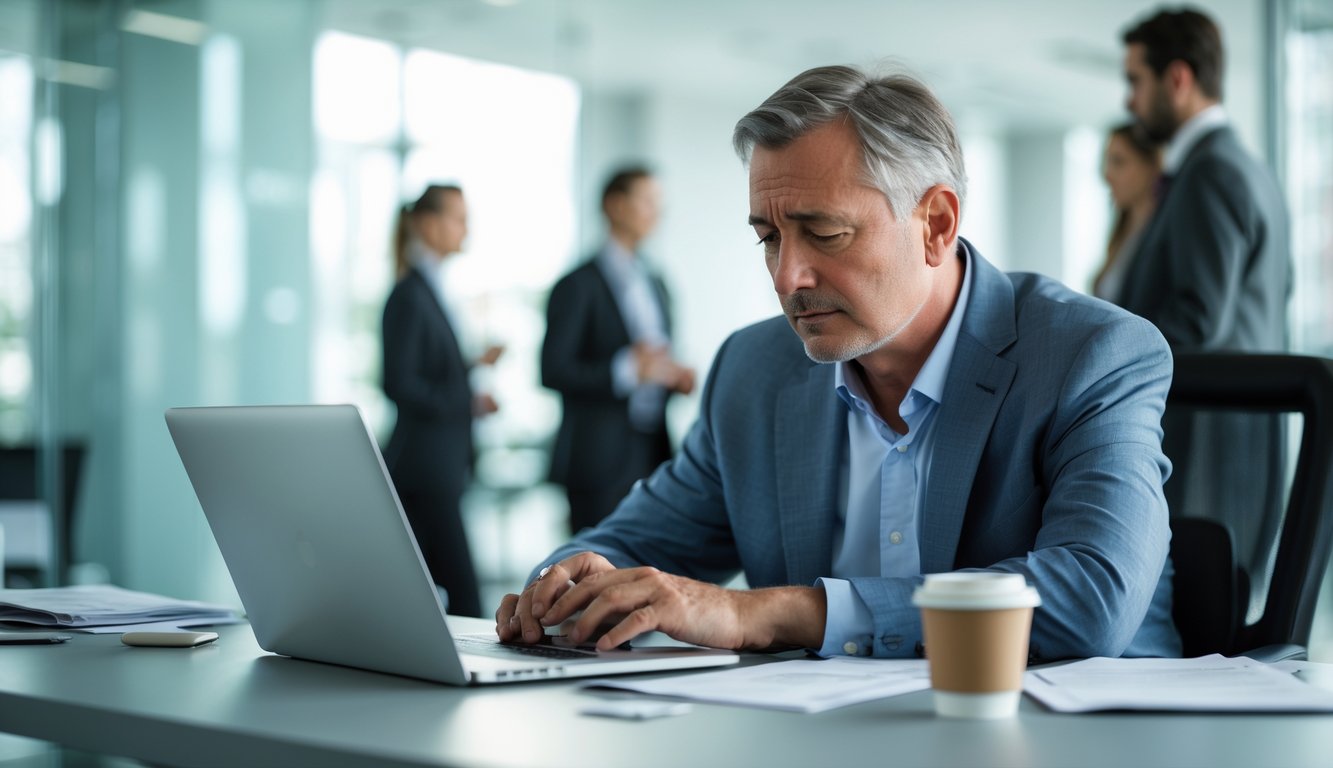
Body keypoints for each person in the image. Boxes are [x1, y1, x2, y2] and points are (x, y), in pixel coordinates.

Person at [497, 65, 1180, 661]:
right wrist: (563, 587)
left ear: (936, 224)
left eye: (824, 233)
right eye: (768, 238)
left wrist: (763, 613)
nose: (787, 276)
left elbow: (1092, 594)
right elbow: (632, 545)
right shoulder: (753, 371)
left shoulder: (1092, 355)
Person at [1118, 8, 1292, 611]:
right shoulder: (1244, 167)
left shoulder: (1211, 171)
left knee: (1204, 626)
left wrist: (1104, 354)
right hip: (1236, 439)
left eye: (1136, 81)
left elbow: (1197, 318)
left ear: (1178, 80)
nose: (1130, 100)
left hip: (1210, 446)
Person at [541, 167, 696, 535]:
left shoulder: (657, 281)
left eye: (659, 204)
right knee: (592, 575)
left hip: (652, 451)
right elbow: (552, 369)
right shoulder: (576, 285)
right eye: (647, 201)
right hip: (597, 458)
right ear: (615, 205)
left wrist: (673, 376)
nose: (656, 212)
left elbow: (658, 358)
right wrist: (626, 370)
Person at [382, 184, 501, 618]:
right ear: (430, 224)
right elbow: (399, 383)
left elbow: (425, 374)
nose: (465, 228)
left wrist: (470, 369)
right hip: (425, 468)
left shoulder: (429, 288)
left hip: (439, 464)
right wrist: (465, 400)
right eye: (458, 218)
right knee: (463, 594)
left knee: (436, 591)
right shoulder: (410, 294)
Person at [1091, 123, 1161, 301]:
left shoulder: (1164, 235)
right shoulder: (1121, 234)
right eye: (1107, 162)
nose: (1107, 174)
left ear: (1152, 167)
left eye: (1119, 162)